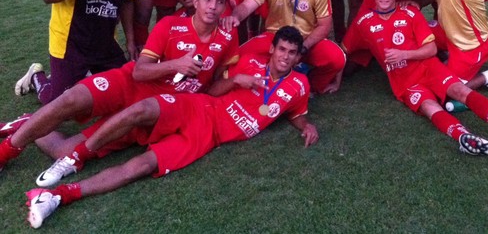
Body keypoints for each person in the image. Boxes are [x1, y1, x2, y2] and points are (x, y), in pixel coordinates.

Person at [25, 26, 318, 229]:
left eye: (292, 52)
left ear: (297, 57)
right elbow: (214, 90)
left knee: (141, 166)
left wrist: (305, 126)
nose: (285, 56)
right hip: (200, 108)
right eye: (282, 49)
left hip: (208, 138)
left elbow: (294, 113)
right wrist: (235, 82)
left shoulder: (298, 85)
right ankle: (73, 154)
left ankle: (58, 195)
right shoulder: (250, 63)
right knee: (141, 109)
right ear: (272, 49)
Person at [0, 0, 239, 178]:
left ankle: (29, 121)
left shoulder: (228, 37)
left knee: (63, 150)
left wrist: (237, 81)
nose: (212, 7)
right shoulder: (171, 25)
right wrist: (176, 64)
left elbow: (213, 84)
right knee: (71, 99)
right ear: (196, 1)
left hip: (157, 107)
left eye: (219, 2)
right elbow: (139, 71)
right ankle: (6, 152)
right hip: (131, 84)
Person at [342, 0, 488, 155]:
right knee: (429, 107)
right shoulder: (363, 22)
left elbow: (431, 49)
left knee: (461, 91)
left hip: (429, 68)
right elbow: (344, 50)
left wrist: (403, 54)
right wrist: (335, 80)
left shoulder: (410, 13)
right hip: (404, 83)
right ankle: (464, 137)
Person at [222, 0, 346, 94]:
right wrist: (235, 16)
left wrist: (302, 49)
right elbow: (247, 6)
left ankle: (308, 87)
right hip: (274, 37)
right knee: (236, 58)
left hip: (306, 40)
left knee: (337, 58)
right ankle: (266, 76)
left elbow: (324, 26)